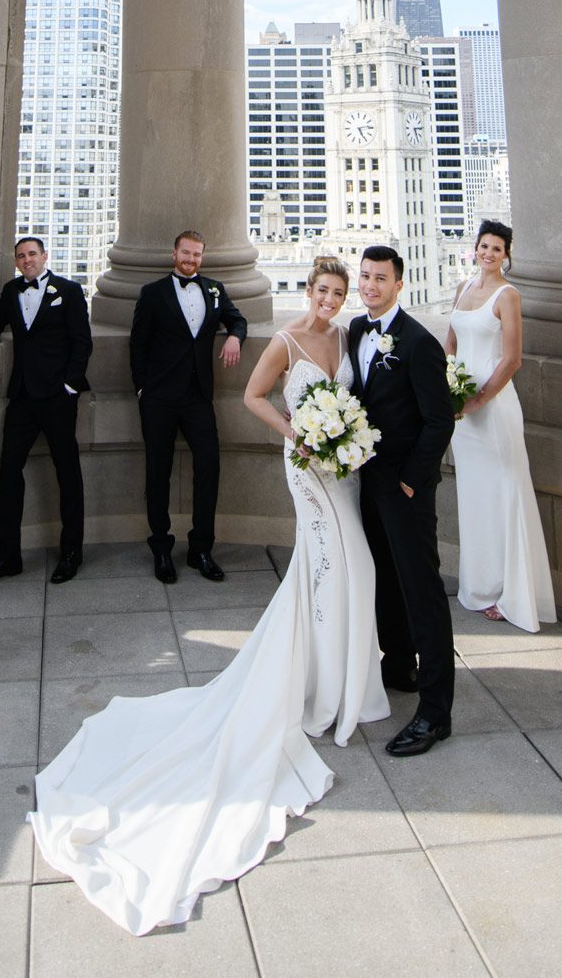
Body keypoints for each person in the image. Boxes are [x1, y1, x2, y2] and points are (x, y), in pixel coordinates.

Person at [31, 256, 388, 934]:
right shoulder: (285, 340)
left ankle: (338, 677)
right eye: (323, 290)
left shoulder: (347, 341)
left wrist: (342, 435)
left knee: (352, 570)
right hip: (307, 466)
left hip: (343, 467)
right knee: (328, 567)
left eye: (340, 293)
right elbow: (256, 398)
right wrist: (300, 435)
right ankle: (317, 685)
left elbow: (356, 399)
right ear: (307, 291)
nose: (331, 301)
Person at [348, 244, 457, 755]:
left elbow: (439, 420)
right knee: (384, 582)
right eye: (365, 276)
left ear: (399, 284)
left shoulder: (418, 342)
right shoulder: (354, 331)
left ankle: (435, 714)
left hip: (406, 488)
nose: (370, 285)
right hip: (366, 482)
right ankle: (399, 669)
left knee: (422, 594)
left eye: (380, 278)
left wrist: (413, 481)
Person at [0, 235, 93, 587]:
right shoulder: (11, 291)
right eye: (21, 255)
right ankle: (7, 556)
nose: (27, 259)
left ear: (45, 256)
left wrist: (69, 386)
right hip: (22, 397)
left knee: (68, 473)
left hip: (58, 397)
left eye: (33, 253)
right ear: (17, 262)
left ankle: (71, 553)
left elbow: (83, 342)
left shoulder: (69, 290)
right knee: (8, 473)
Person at [444, 219, 556, 631]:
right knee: (475, 495)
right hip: (462, 410)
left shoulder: (508, 295)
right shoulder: (462, 289)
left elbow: (512, 359)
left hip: (493, 408)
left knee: (503, 492)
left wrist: (478, 399)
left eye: (497, 248)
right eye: (484, 246)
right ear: (474, 249)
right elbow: (451, 343)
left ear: (507, 254)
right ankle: (482, 585)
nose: (489, 254)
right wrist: (450, 388)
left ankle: (511, 592)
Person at [128, 230, 247, 582]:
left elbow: (236, 319)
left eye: (196, 254)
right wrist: (142, 390)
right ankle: (161, 550)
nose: (190, 259)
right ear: (174, 252)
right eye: (185, 252)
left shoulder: (214, 289)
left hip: (198, 396)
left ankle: (201, 549)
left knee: (209, 468)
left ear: (202, 258)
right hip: (159, 398)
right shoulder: (152, 293)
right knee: (157, 472)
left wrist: (235, 339)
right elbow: (138, 345)